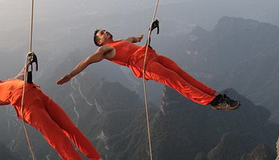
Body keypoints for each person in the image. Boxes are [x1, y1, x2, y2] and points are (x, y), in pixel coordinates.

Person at [56, 29, 240, 110]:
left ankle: (214, 95)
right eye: (101, 34)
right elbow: (86, 61)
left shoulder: (119, 42)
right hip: (146, 65)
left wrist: (138, 38)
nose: (105, 32)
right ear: (100, 41)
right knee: (178, 82)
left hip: (153, 57)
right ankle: (212, 102)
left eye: (104, 30)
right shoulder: (104, 50)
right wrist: (70, 75)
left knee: (183, 75)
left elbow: (130, 39)